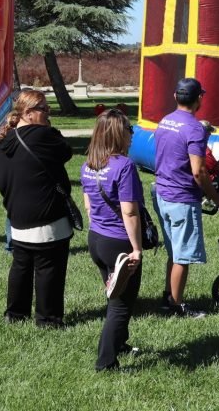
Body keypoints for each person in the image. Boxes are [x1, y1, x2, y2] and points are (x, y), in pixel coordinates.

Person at [0, 90, 75, 328]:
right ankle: (48, 319)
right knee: (49, 268)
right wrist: (50, 129)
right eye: (44, 109)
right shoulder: (45, 136)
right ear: (28, 113)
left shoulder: (5, 141)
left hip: (17, 218)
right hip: (48, 219)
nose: (48, 114)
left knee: (21, 266)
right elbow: (66, 152)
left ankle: (16, 314)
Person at [152, 78, 219, 318]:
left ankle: (168, 298)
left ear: (175, 96)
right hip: (181, 197)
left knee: (174, 252)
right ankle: (176, 306)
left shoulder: (165, 121)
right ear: (199, 99)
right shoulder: (194, 128)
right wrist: (216, 197)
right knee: (182, 256)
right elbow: (199, 171)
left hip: (162, 193)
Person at [80, 109, 144, 371]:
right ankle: (106, 362)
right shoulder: (124, 166)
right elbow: (129, 211)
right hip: (119, 242)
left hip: (97, 239)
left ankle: (120, 343)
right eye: (129, 129)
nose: (132, 134)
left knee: (114, 296)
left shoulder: (88, 165)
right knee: (120, 306)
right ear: (119, 134)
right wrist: (136, 249)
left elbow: (88, 205)